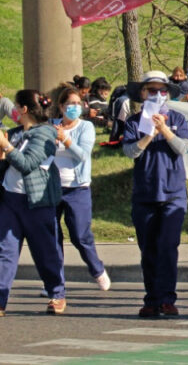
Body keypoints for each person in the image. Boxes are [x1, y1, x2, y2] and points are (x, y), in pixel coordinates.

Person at [122, 71, 188, 318]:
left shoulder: (178, 118)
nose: (157, 95)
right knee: (148, 249)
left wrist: (165, 130)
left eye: (162, 90)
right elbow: (130, 152)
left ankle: (167, 299)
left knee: (168, 247)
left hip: (173, 194)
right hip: (145, 194)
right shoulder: (133, 122)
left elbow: (183, 147)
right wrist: (149, 134)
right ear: (142, 94)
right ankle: (152, 298)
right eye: (151, 90)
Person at [0, 90, 65, 316]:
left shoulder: (46, 134)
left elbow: (27, 164)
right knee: (5, 251)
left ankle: (56, 293)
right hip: (10, 199)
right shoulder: (15, 133)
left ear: (24, 109)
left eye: (16, 107)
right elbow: (6, 165)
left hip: (36, 201)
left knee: (44, 251)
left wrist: (6, 148)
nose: (14, 111)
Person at [52, 87, 110, 292]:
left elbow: (83, 155)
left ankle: (97, 270)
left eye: (78, 104)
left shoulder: (85, 127)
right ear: (61, 107)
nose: (74, 108)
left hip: (77, 188)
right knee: (52, 236)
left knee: (79, 235)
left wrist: (65, 139)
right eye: (70, 104)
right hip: (52, 189)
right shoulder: (52, 126)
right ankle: (55, 283)